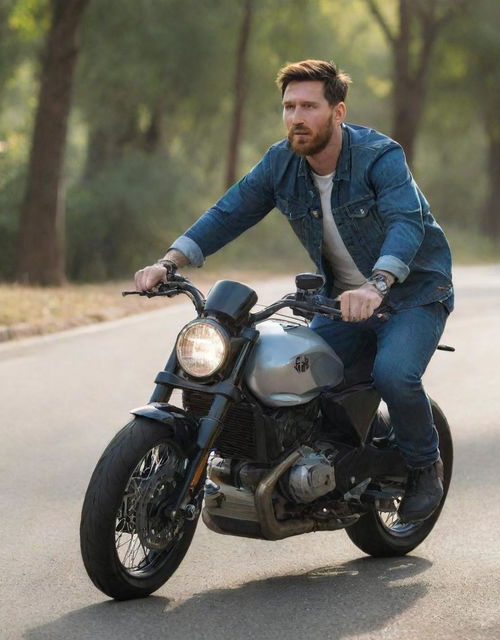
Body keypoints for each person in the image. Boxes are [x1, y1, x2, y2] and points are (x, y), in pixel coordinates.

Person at [135, 59, 454, 523]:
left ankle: (425, 466)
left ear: (338, 111)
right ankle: (320, 470)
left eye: (309, 106)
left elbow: (406, 223)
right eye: (288, 107)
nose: (296, 118)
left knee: (394, 375)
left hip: (412, 294)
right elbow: (230, 212)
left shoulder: (380, 157)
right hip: (340, 297)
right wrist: (170, 261)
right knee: (301, 377)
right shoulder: (280, 163)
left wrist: (379, 282)